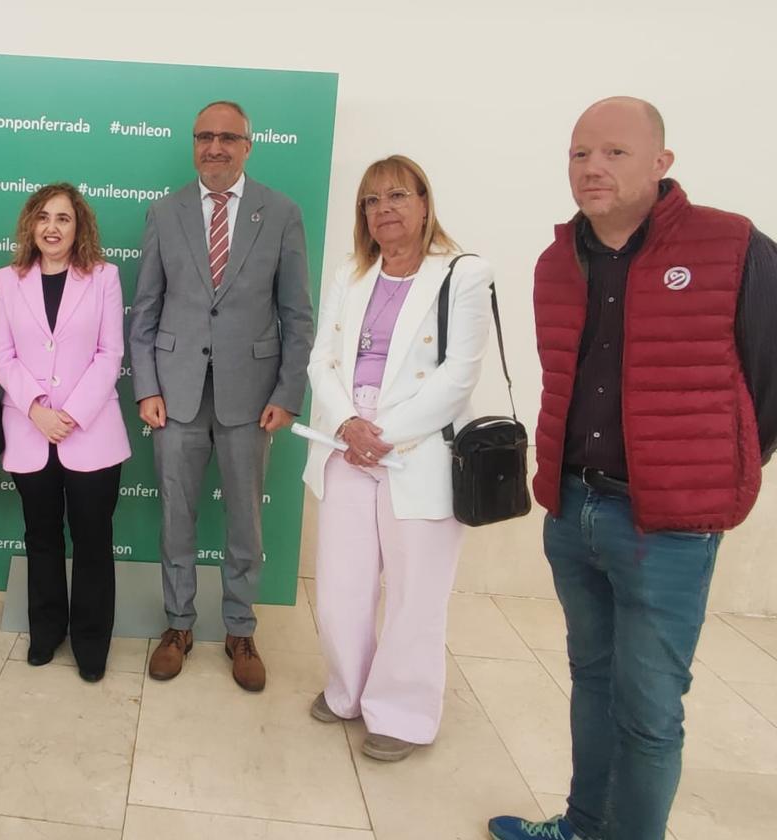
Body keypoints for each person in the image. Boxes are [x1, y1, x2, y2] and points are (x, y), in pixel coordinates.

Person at [489, 97, 777, 840]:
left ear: (661, 162)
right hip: (572, 509)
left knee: (649, 715)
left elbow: (769, 381)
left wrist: (715, 472)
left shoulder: (733, 246)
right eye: (580, 153)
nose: (592, 167)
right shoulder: (558, 261)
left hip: (667, 528)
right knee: (591, 683)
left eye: (614, 152)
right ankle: (582, 827)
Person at [303, 155, 492, 761]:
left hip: (418, 452)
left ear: (424, 202)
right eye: (371, 201)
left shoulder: (464, 274)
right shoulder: (350, 275)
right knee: (340, 586)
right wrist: (350, 425)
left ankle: (404, 713)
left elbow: (459, 376)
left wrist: (382, 433)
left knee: (416, 590)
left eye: (397, 196)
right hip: (346, 444)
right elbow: (320, 362)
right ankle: (347, 691)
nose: (383, 210)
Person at [130, 100, 314, 692]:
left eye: (227, 137)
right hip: (176, 394)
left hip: (251, 396)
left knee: (245, 523)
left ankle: (239, 628)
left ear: (247, 145)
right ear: (193, 144)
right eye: (204, 136)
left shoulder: (281, 213)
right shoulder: (165, 212)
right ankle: (178, 625)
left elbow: (297, 315)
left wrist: (288, 393)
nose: (215, 146)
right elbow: (147, 311)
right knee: (177, 518)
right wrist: (147, 387)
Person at [0, 183, 129, 683]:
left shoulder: (104, 277)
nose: (52, 227)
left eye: (64, 218)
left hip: (90, 432)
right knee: (41, 537)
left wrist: (69, 413)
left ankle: (92, 645)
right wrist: (36, 410)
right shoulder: (8, 280)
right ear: (30, 224)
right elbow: (2, 355)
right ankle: (46, 633)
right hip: (30, 431)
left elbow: (110, 353)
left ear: (79, 227)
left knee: (93, 540)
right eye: (44, 217)